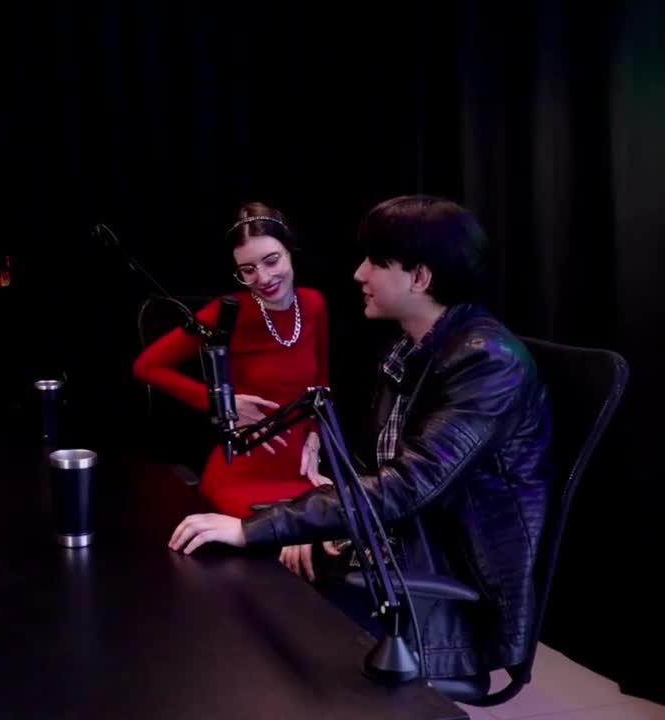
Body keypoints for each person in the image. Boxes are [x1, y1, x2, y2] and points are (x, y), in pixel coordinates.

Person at [168, 195, 553, 680]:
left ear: (419, 278)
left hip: (442, 581)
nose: (358, 274)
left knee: (260, 626)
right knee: (242, 595)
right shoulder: (412, 350)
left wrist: (259, 527)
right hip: (399, 547)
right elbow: (383, 472)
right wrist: (328, 527)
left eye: (375, 261)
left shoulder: (487, 362)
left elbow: (408, 485)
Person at [133, 202, 331, 519]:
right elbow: (146, 366)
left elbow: (321, 382)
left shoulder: (314, 304)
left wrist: (315, 435)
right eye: (247, 270)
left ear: (290, 252)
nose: (263, 278)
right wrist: (222, 404)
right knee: (277, 536)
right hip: (242, 474)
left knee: (342, 531)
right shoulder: (229, 313)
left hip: (301, 473)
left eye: (272, 261)